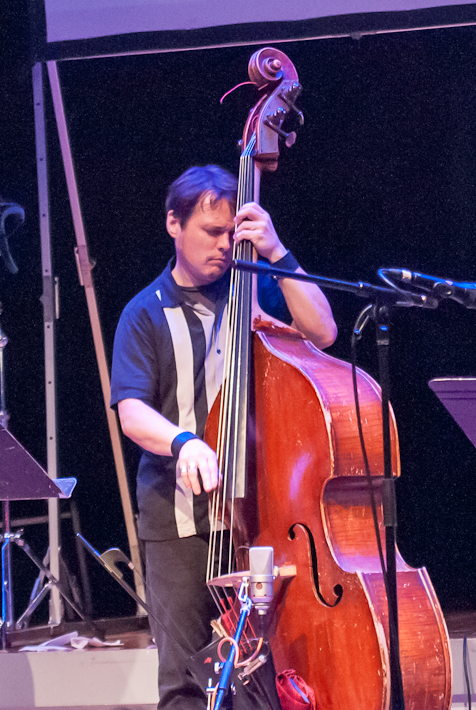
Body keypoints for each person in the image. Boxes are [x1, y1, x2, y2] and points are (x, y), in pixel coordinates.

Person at [109, 164, 337, 710]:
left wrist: (277, 253)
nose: (223, 246)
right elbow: (132, 411)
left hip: (266, 518)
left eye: (231, 234)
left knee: (273, 680)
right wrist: (185, 441)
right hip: (180, 522)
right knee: (187, 681)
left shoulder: (258, 299)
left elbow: (324, 332)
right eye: (211, 233)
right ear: (173, 224)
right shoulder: (144, 313)